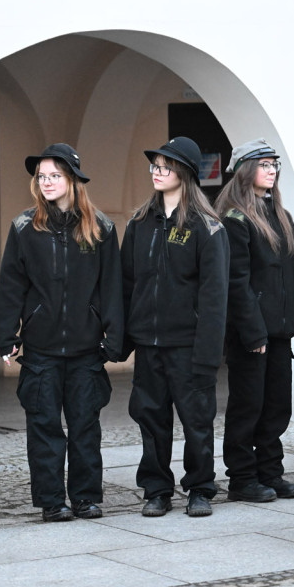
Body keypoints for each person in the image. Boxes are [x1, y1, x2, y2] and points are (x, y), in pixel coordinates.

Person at [0, 144, 123, 522]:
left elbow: (112, 287)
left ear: (72, 180)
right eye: (42, 176)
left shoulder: (101, 228)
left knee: (86, 427)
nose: (47, 182)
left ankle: (85, 498)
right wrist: (7, 335)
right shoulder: (24, 227)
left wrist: (113, 338)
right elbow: (10, 286)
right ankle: (52, 501)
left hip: (87, 349)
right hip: (41, 350)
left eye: (55, 175)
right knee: (44, 428)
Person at [122, 136, 229, 518]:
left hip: (188, 344)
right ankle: (156, 489)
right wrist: (123, 340)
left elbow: (215, 295)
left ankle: (200, 487)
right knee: (151, 420)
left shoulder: (207, 226)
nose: (157, 171)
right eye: (154, 165)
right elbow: (127, 283)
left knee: (196, 420)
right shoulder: (139, 224)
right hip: (149, 344)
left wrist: (208, 353)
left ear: (183, 173)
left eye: (165, 166)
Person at [214, 139, 294, 503]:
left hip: (279, 333)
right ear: (245, 171)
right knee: (247, 408)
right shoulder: (235, 219)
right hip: (251, 335)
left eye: (275, 164)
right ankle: (242, 478)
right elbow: (235, 282)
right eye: (264, 164)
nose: (272, 170)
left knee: (276, 407)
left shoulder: (281, 216)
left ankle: (271, 472)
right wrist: (252, 331)